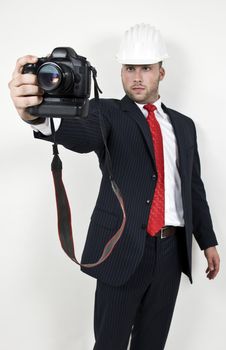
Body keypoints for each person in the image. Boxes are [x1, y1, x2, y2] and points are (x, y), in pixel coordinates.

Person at [9, 23, 220, 350]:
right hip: (122, 249)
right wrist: (38, 117)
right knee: (109, 343)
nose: (137, 77)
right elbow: (81, 132)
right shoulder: (106, 111)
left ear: (161, 72)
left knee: (152, 343)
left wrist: (207, 242)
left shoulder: (184, 125)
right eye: (130, 68)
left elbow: (192, 187)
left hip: (170, 252)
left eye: (146, 69)